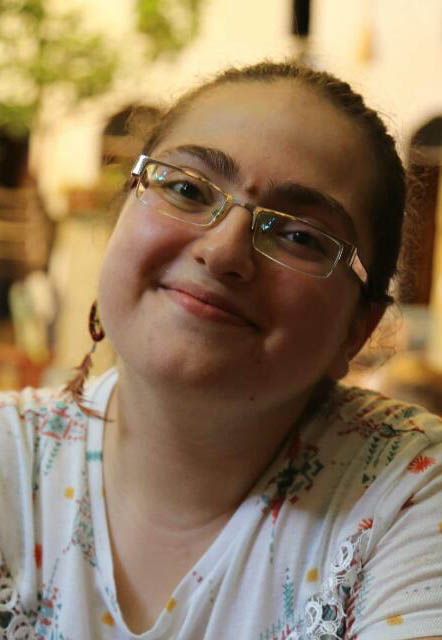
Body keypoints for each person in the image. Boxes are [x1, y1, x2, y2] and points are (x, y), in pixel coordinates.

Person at [0, 60, 441, 640]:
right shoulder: (11, 463)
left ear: (357, 329)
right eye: (186, 189)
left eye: (299, 236)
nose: (223, 251)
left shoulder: (408, 493)